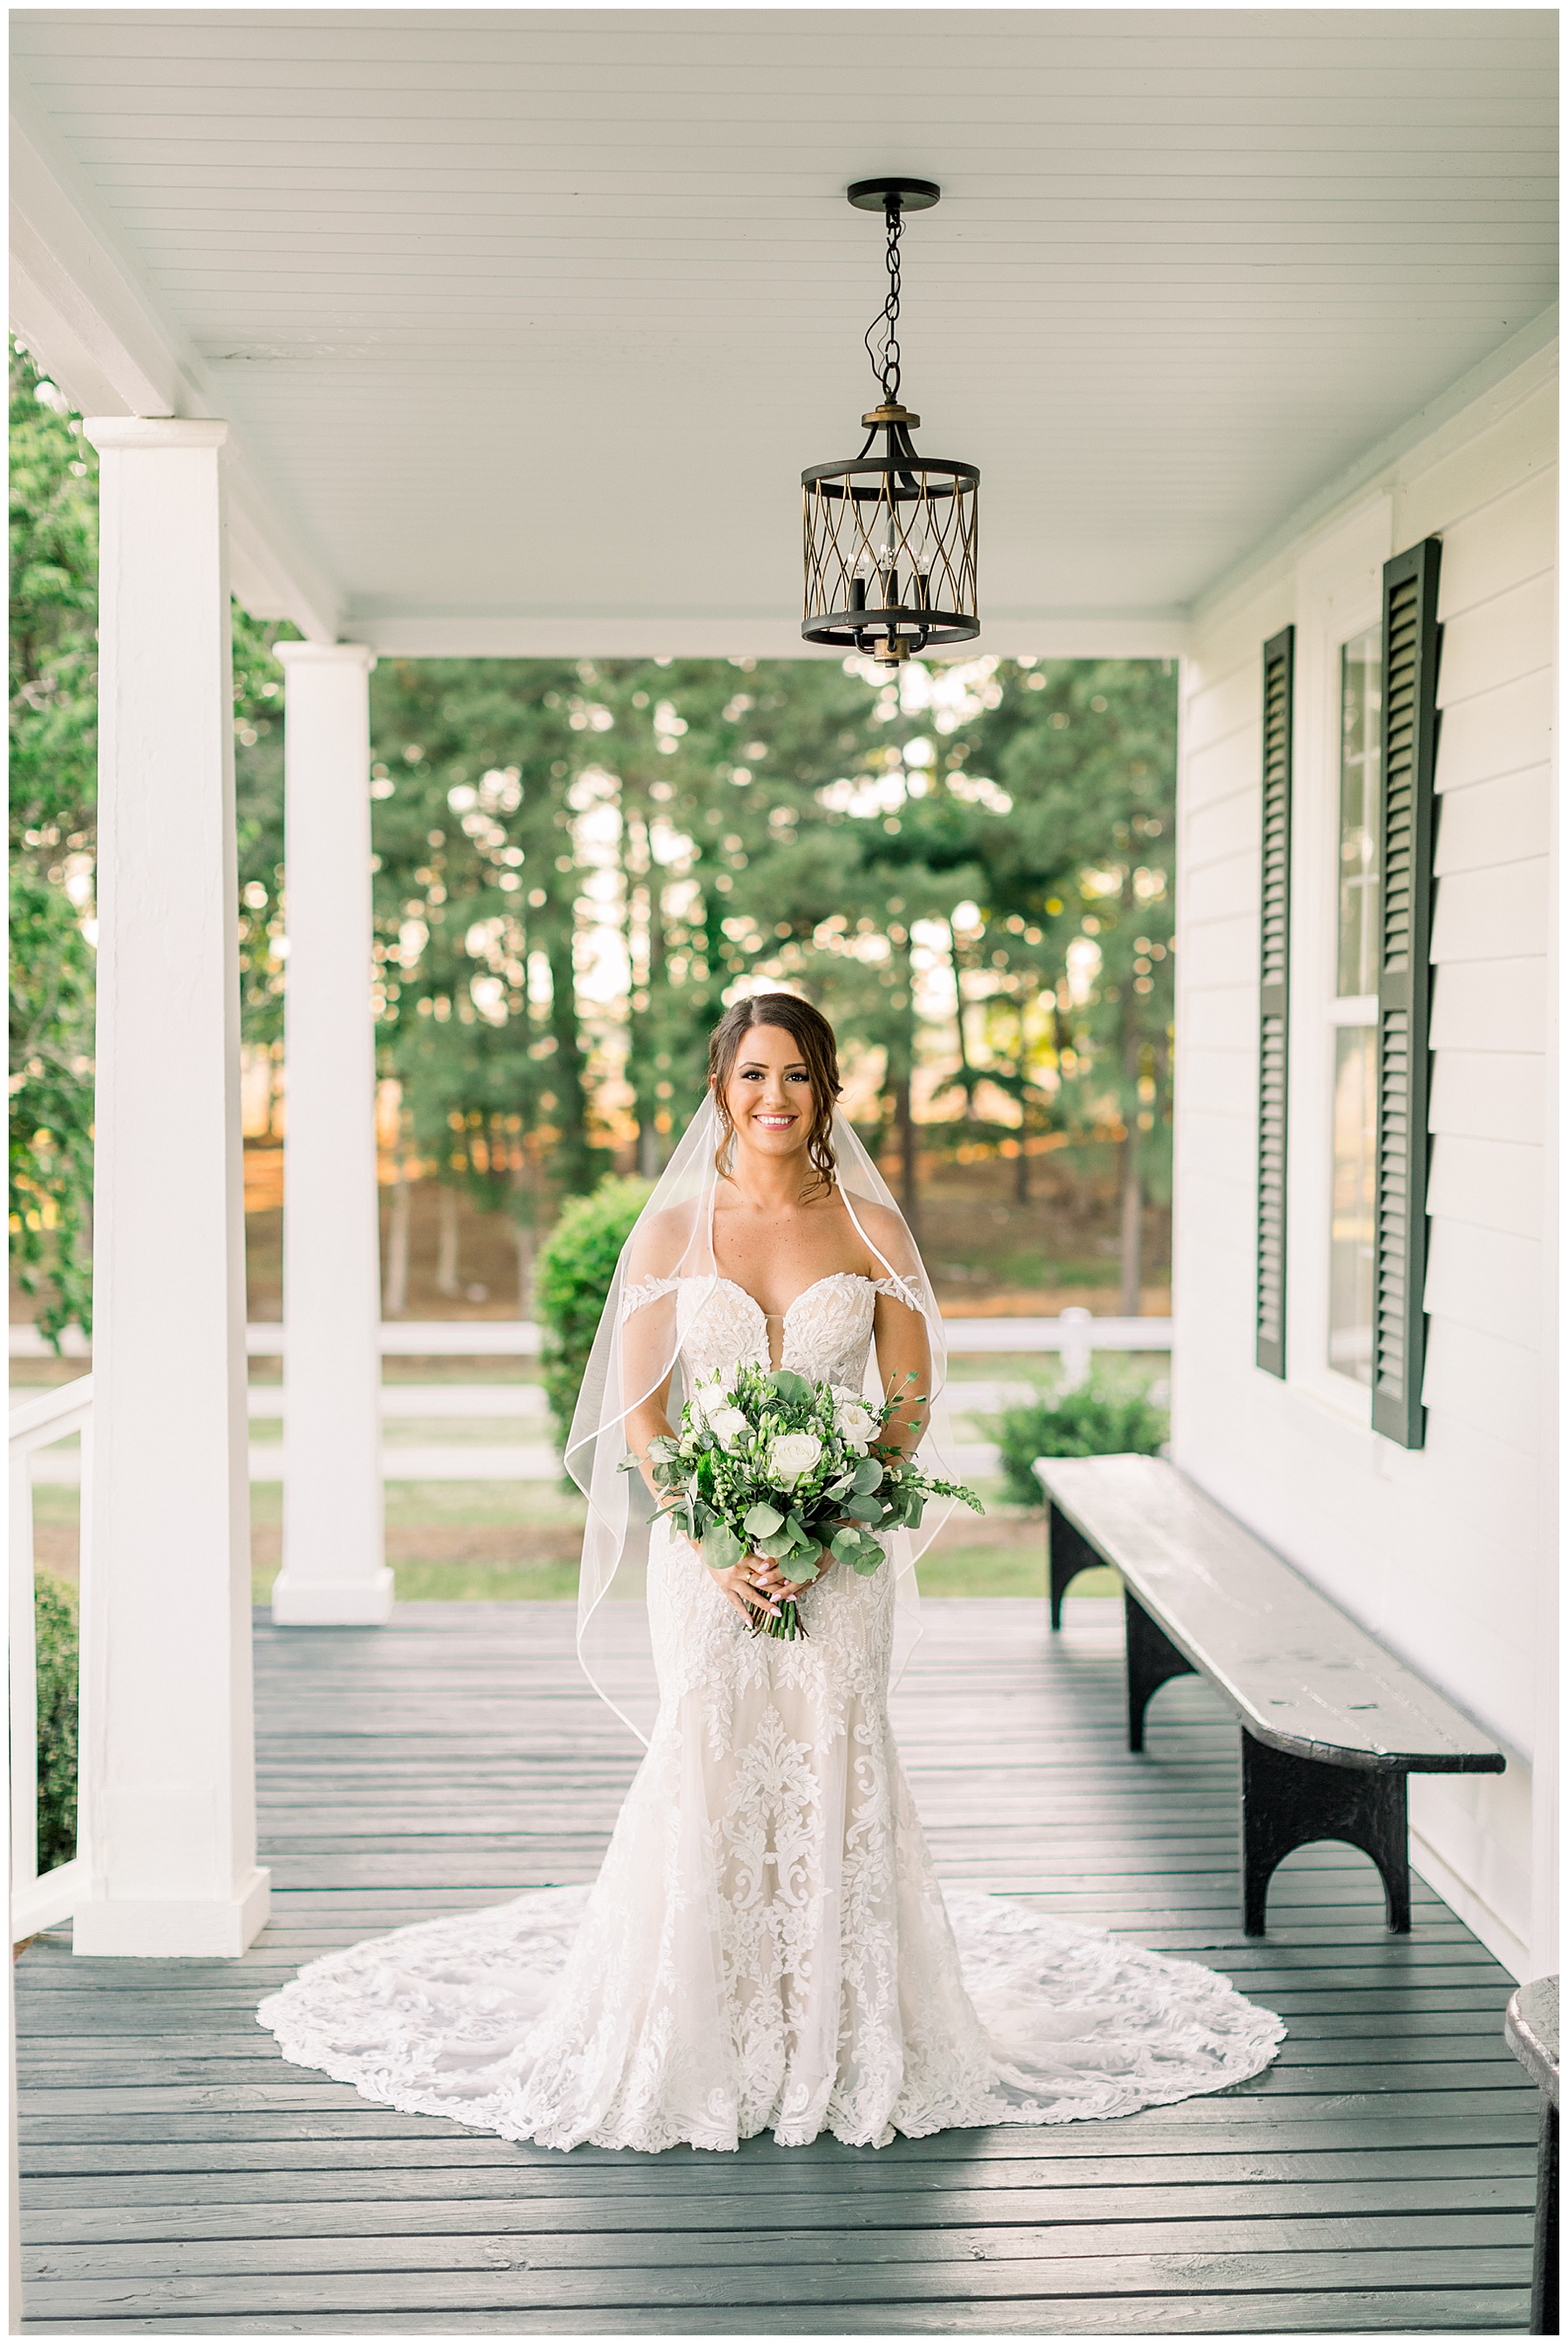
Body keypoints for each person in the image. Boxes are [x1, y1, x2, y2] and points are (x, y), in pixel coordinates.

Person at [259, 992, 1282, 2152]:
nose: (775, 1096)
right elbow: (646, 1418)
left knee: (833, 1762)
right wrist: (709, 1537)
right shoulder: (673, 1232)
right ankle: (704, 2036)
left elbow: (907, 1404)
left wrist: (834, 1516)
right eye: (753, 1074)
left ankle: (841, 2037)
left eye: (796, 1074)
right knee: (710, 1762)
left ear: (826, 1090)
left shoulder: (872, 1231)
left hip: (839, 1565)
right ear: (720, 1091)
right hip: (706, 1560)